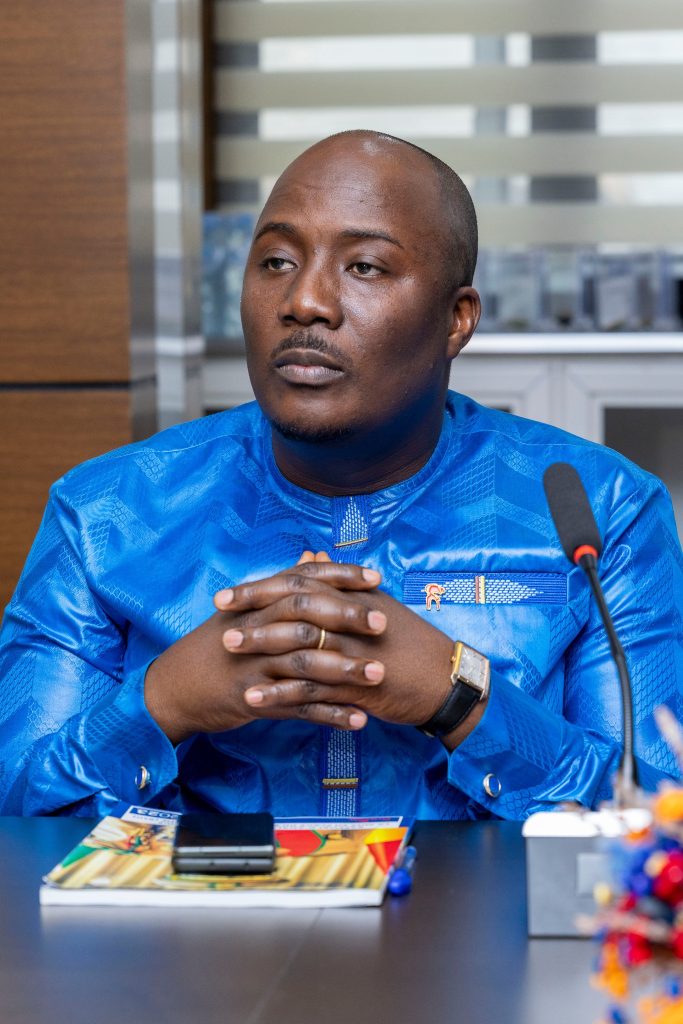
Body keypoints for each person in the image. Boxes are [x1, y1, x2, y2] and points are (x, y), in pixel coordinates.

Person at [0, 131, 681, 820]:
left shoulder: (602, 511)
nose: (304, 300)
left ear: (456, 319)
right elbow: (18, 806)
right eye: (276, 261)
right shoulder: (105, 513)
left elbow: (660, 822)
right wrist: (162, 702)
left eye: (364, 267)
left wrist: (458, 697)